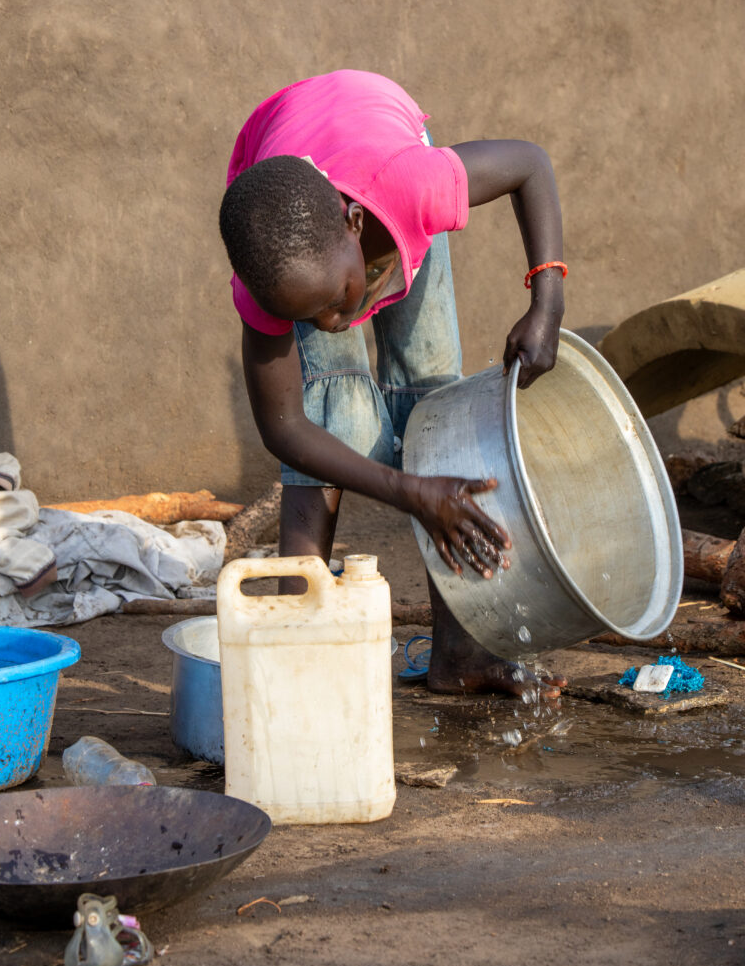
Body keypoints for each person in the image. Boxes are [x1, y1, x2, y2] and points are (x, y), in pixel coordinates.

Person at [219, 69, 567, 699]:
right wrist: (406, 489)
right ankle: (296, 662)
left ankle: (459, 654)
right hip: (277, 164)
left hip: (377, 149)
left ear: (354, 224)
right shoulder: (272, 282)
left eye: (339, 299)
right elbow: (286, 430)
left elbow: (529, 163)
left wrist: (547, 299)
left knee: (434, 396)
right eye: (310, 316)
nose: (333, 322)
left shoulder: (416, 184)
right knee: (333, 411)